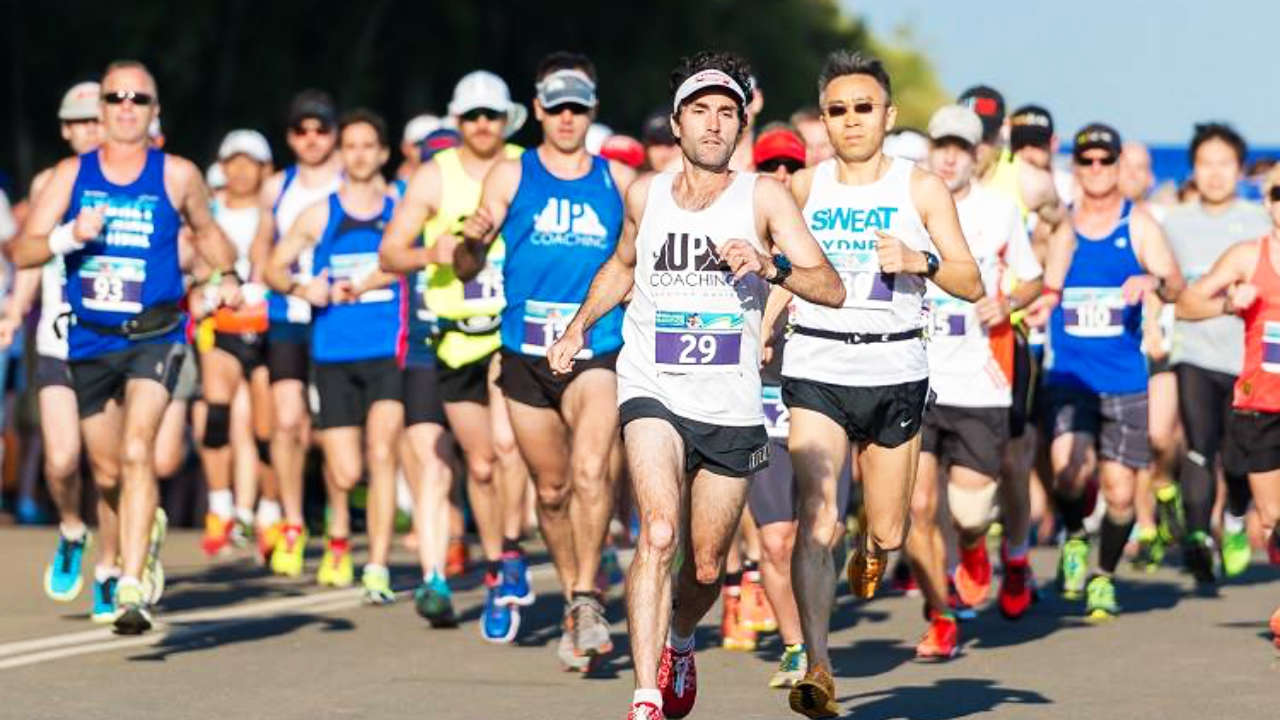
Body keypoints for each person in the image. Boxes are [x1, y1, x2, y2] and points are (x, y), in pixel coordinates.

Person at [546, 51, 844, 720]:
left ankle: (680, 637)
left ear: (741, 125)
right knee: (657, 532)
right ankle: (645, 698)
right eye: (700, 111)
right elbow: (622, 267)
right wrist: (577, 328)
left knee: (706, 566)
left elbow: (830, 287)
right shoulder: (644, 194)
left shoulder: (763, 197)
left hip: (730, 401)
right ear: (677, 123)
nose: (713, 124)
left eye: (727, 113)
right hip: (652, 383)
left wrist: (770, 266)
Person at [781, 53, 982, 719]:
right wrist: (763, 327)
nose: (851, 121)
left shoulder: (919, 188)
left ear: (888, 116)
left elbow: (970, 279)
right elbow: (784, 270)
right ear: (824, 120)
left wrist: (920, 260)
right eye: (837, 110)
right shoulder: (802, 189)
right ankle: (818, 666)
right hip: (817, 366)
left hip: (895, 371)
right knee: (818, 517)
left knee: (892, 532)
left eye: (863, 108)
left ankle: (873, 542)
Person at [12, 60, 240, 634]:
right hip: (90, 338)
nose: (126, 107)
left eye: (139, 98)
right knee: (107, 471)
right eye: (116, 97)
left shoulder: (178, 174)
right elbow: (23, 251)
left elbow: (209, 233)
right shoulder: (71, 175)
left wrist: (229, 275)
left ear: (154, 111)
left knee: (140, 451)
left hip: (155, 335)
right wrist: (70, 235)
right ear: (102, 109)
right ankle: (118, 534)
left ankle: (131, 584)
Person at [456, 52, 635, 667]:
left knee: (590, 470)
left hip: (595, 347)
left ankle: (586, 596)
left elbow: (638, 259)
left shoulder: (617, 181)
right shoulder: (510, 176)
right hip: (524, 353)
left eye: (577, 108)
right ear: (537, 109)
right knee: (553, 491)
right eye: (556, 107)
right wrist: (470, 241)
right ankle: (573, 599)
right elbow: (466, 266)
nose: (566, 118)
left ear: (592, 110)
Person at [379, 70, 532, 643]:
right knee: (482, 465)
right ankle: (494, 564)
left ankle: (511, 553)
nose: (483, 125)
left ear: (508, 119)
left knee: (507, 446)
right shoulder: (434, 176)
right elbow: (390, 253)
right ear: (458, 121)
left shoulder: (525, 166)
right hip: (452, 337)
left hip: (508, 332)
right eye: (472, 116)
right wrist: (432, 252)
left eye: (492, 115)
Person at [1027, 123, 1184, 621]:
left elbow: (1176, 284)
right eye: (1086, 160)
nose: (1096, 169)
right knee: (1067, 472)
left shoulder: (1138, 224)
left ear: (1118, 166)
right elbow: (1033, 279)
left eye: (1105, 160)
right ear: (1075, 168)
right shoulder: (1060, 226)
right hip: (1069, 377)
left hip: (1123, 380)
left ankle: (1103, 575)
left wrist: (1151, 279)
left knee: (1119, 492)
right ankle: (1075, 534)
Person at [906, 105, 1043, 660]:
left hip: (980, 381)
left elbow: (1033, 280)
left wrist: (1006, 302)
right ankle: (940, 615)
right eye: (941, 146)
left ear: (977, 156)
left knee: (969, 515)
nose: (949, 158)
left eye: (960, 149)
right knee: (918, 507)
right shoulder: (906, 207)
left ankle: (973, 548)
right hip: (914, 379)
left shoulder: (1000, 211)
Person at [267, 109, 404, 605]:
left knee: (383, 453)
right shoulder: (319, 214)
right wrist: (304, 288)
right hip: (333, 352)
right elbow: (273, 268)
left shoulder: (401, 207)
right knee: (346, 470)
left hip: (389, 349)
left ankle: (377, 567)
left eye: (369, 146)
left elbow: (422, 257)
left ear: (383, 153)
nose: (360, 155)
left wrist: (378, 278)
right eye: (351, 146)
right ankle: (339, 526)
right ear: (341, 155)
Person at [0, 81, 114, 620]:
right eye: (79, 122)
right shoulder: (49, 183)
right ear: (66, 130)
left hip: (116, 342)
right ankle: (72, 529)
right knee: (63, 459)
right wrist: (12, 310)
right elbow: (32, 256)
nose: (89, 131)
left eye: (96, 120)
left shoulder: (132, 182)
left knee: (110, 468)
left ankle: (112, 568)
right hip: (59, 339)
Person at [1175, 165, 1280, 649]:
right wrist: (1229, 305)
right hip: (1260, 405)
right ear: (1266, 201)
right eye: (1278, 193)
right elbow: (1186, 304)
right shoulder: (1246, 256)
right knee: (1273, 518)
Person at [1164, 124, 1271, 585]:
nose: (1214, 173)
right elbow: (1165, 284)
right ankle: (1196, 537)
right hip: (1195, 352)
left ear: (1240, 169)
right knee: (1199, 446)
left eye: (1224, 163)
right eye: (1205, 163)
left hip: (1248, 361)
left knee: (1239, 457)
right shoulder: (1174, 221)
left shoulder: (1260, 220)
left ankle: (1234, 518)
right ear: (1193, 169)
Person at [750, 123, 837, 689]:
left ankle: (815, 636)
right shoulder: (736, 233)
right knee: (776, 538)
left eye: (791, 167)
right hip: (762, 411)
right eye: (770, 167)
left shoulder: (822, 239)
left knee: (824, 534)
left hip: (821, 404)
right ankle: (795, 647)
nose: (782, 176)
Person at [250, 90, 344, 578]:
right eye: (301, 130)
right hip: (287, 313)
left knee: (333, 431)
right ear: (290, 137)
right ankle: (291, 522)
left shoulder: (353, 181)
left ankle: (337, 528)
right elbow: (262, 248)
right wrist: (261, 284)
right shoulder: (276, 187)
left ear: (335, 134)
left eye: (321, 129)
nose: (311, 139)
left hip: (341, 319)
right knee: (286, 422)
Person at [195, 129, 278, 562]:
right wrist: (200, 290)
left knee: (263, 428)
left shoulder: (275, 210)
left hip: (267, 327)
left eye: (250, 162)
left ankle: (267, 511)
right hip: (220, 325)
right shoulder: (208, 211)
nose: (241, 171)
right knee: (216, 414)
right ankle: (220, 507)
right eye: (234, 161)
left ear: (265, 169)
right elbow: (191, 260)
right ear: (223, 166)